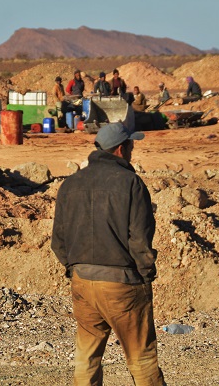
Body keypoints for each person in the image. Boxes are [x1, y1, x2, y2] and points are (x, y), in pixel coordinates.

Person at [51, 122, 165, 386]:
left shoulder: (70, 184)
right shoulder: (130, 183)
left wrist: (75, 268)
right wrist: (146, 273)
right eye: (132, 145)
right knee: (142, 359)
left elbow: (58, 241)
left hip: (82, 282)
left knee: (87, 358)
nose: (133, 150)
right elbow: (140, 239)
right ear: (121, 149)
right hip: (122, 284)